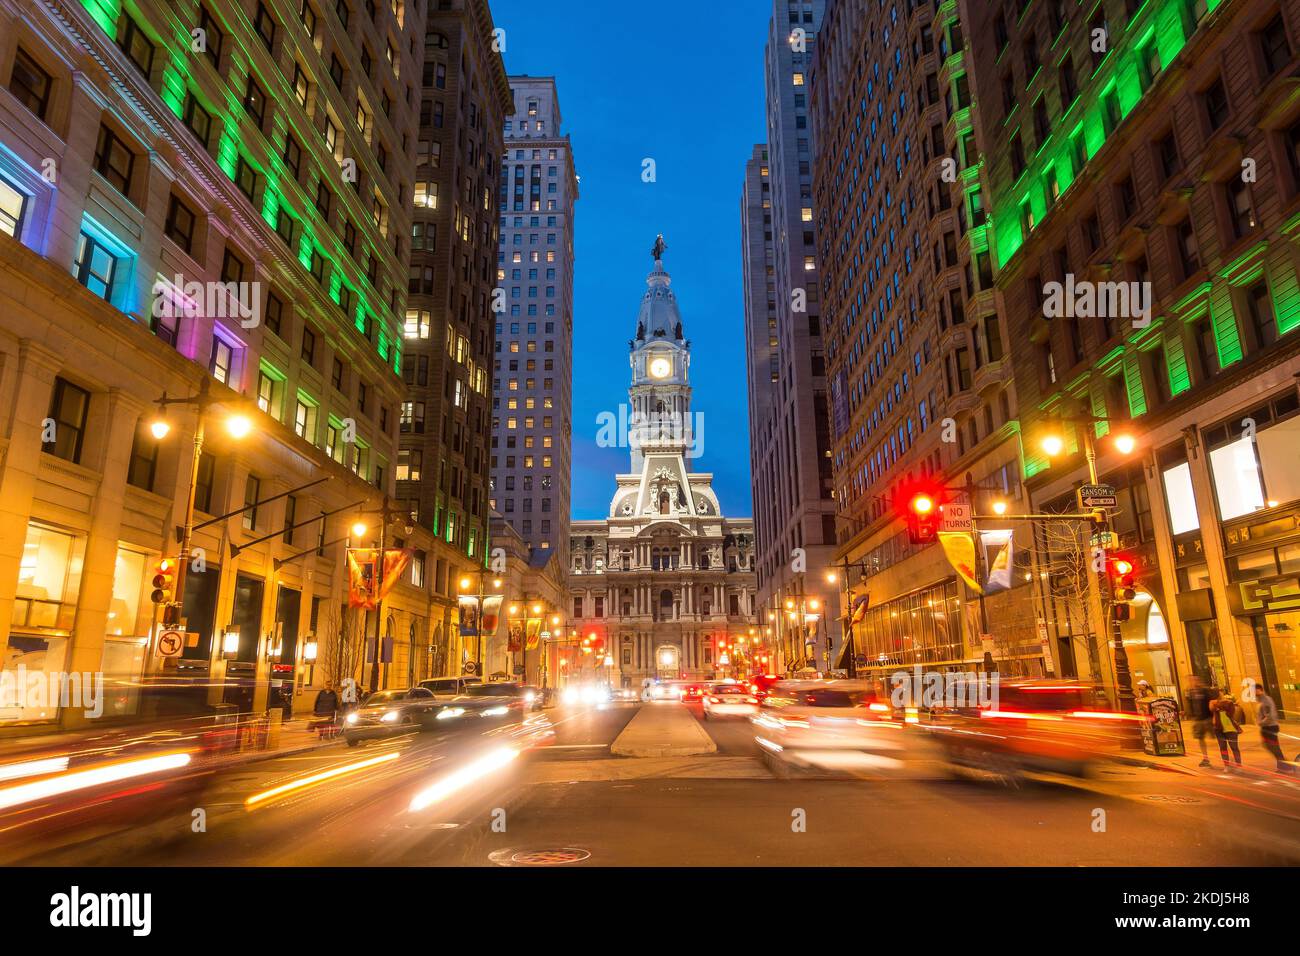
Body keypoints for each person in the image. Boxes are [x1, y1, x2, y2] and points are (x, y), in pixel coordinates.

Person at [1254, 681, 1289, 773]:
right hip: (1266, 727)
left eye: (1256, 690)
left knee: (1273, 746)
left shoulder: (1266, 700)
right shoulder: (1260, 700)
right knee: (1270, 746)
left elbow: (1270, 715)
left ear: (1260, 690)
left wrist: (1261, 722)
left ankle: (1285, 766)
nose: (1254, 693)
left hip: (1270, 727)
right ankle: (1283, 765)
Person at [1185, 675, 1216, 768]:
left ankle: (1226, 757)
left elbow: (1213, 701)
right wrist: (1191, 716)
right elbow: (1189, 705)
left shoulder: (1205, 690)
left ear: (1198, 680)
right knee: (1200, 738)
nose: (1193, 682)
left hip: (1207, 719)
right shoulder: (1190, 693)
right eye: (1190, 680)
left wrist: (1213, 716)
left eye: (1194, 680)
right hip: (1198, 720)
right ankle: (1205, 758)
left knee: (1216, 738)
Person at [1211, 690, 1245, 769]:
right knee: (1223, 748)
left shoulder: (1229, 703)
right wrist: (1215, 705)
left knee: (1234, 747)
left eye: (1219, 694)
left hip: (1230, 729)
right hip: (1219, 729)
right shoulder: (1213, 704)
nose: (1219, 695)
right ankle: (1226, 765)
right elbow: (1211, 709)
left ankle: (1238, 765)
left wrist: (1218, 706)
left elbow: (1230, 713)